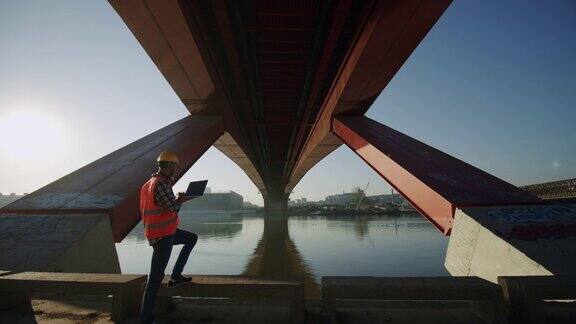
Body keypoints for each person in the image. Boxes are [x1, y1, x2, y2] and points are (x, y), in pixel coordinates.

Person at [139, 151, 198, 324]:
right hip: (163, 235)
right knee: (155, 279)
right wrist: (181, 199)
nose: (175, 169)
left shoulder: (148, 184)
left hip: (163, 232)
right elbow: (173, 208)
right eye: (174, 166)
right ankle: (145, 319)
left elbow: (158, 207)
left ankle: (176, 276)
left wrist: (178, 200)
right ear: (169, 166)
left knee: (191, 238)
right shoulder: (162, 184)